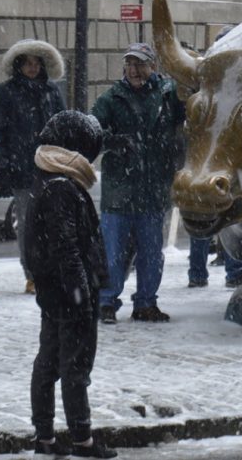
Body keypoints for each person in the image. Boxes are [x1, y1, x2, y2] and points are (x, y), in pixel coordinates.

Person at [25, 111, 117, 458]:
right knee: (74, 366)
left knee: (49, 361)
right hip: (69, 293)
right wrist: (81, 293)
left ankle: (45, 437)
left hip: (53, 291)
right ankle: (82, 439)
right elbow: (67, 247)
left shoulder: (48, 178)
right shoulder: (63, 187)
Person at [92, 43, 186, 323]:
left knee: (151, 255)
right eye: (129, 64)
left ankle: (146, 303)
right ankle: (106, 302)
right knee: (112, 254)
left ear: (153, 67)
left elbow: (188, 121)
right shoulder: (111, 99)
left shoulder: (168, 96)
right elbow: (92, 132)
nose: (134, 70)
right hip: (118, 194)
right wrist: (114, 142)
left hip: (154, 192)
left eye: (140, 64)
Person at [0, 39, 67, 294]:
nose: (32, 68)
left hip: (50, 169)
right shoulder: (5, 93)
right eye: (28, 63)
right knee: (29, 226)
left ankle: (50, 269)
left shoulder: (51, 92)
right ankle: (32, 274)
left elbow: (63, 126)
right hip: (22, 171)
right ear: (19, 65)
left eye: (36, 63)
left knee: (52, 224)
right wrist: (5, 167)